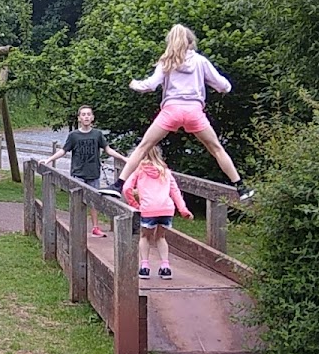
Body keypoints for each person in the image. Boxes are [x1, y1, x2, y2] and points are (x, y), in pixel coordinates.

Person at [99, 24, 254, 202]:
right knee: (216, 148)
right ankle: (241, 188)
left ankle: (118, 185)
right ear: (191, 42)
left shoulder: (167, 61)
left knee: (144, 147)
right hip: (194, 112)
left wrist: (134, 84)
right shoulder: (201, 62)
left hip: (171, 111)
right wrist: (225, 87)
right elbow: (223, 86)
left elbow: (150, 85)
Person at [39, 105, 125, 237]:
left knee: (94, 202)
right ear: (79, 118)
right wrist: (49, 159)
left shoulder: (97, 134)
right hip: (78, 174)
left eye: (88, 114)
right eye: (83, 114)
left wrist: (124, 158)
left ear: (92, 118)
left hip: (93, 173)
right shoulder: (74, 135)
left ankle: (95, 227)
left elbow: (108, 150)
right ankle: (77, 228)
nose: (86, 117)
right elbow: (63, 150)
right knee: (77, 202)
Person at [122, 145, 193, 280]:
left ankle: (144, 267)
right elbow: (175, 191)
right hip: (166, 209)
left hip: (148, 208)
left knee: (145, 237)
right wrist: (183, 209)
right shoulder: (165, 171)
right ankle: (165, 267)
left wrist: (135, 205)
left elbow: (126, 188)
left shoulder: (139, 169)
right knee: (161, 237)